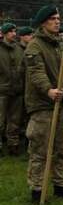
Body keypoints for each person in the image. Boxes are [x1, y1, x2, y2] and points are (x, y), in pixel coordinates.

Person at [25, 5, 63, 202]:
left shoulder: (61, 45)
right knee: (40, 149)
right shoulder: (35, 46)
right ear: (43, 23)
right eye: (52, 19)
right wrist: (49, 89)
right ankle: (37, 189)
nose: (57, 21)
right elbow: (36, 72)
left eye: (58, 18)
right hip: (43, 106)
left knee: (61, 148)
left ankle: (61, 185)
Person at [0, 23, 25, 156]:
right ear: (4, 34)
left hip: (17, 90)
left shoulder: (19, 49)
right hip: (2, 90)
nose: (14, 34)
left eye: (15, 31)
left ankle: (13, 145)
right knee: (0, 120)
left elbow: (23, 66)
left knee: (15, 121)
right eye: (10, 31)